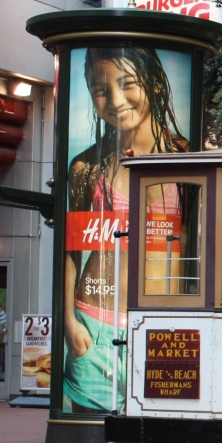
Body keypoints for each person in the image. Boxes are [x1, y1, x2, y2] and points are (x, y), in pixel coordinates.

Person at [63, 47, 188, 413]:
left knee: (161, 429)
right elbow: (71, 250)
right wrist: (69, 321)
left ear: (154, 82)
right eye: (100, 90)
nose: (115, 100)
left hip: (163, 329)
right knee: (90, 435)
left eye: (128, 83)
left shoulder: (189, 159)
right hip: (93, 327)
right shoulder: (86, 167)